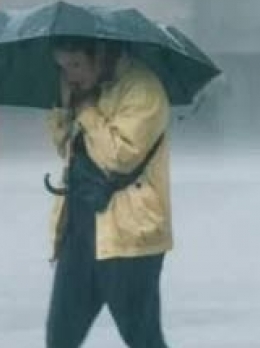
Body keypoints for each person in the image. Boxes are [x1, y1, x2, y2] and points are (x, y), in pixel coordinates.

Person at [45, 36, 172, 348]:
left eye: (76, 64)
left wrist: (87, 110)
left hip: (129, 234)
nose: (70, 74)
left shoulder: (142, 90)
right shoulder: (82, 89)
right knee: (60, 337)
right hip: (79, 229)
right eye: (63, 67)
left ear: (99, 56)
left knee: (142, 338)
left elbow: (117, 158)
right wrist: (63, 109)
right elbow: (68, 150)